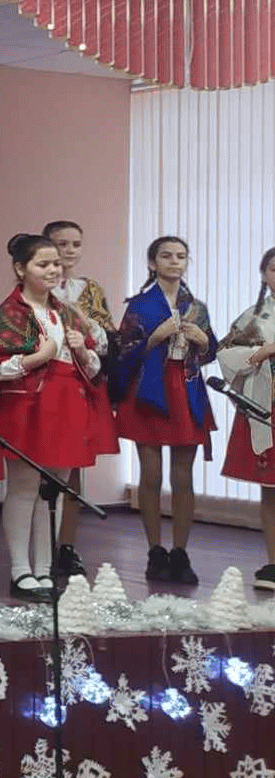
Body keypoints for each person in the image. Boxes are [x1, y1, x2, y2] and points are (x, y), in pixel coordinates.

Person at [0, 234, 109, 602]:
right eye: (43, 264)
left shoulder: (67, 311)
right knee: (24, 488)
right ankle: (20, 570)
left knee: (53, 492)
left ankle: (44, 567)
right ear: (20, 268)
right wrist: (37, 358)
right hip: (29, 406)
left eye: (56, 263)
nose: (53, 270)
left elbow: (93, 364)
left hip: (67, 404)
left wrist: (83, 351)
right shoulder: (12, 312)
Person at [112, 235, 217, 587]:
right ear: (152, 263)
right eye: (167, 256)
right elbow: (122, 351)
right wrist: (154, 338)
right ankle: (154, 551)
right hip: (149, 388)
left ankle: (181, 552)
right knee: (151, 474)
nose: (174, 261)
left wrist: (204, 342)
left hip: (186, 389)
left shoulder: (197, 307)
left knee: (184, 476)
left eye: (181, 256)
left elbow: (210, 351)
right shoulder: (139, 305)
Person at [43, 219, 118, 579]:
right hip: (46, 383)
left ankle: (67, 545)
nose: (69, 251)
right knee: (43, 467)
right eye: (62, 244)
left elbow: (107, 341)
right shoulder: (35, 289)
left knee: (74, 467)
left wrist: (85, 322)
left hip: (83, 382)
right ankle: (40, 547)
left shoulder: (90, 290)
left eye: (75, 244)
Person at [216, 247, 275, 592]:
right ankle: (273, 561)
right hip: (268, 405)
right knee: (272, 490)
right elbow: (225, 356)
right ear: (263, 274)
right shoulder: (252, 317)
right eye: (274, 269)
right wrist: (261, 352)